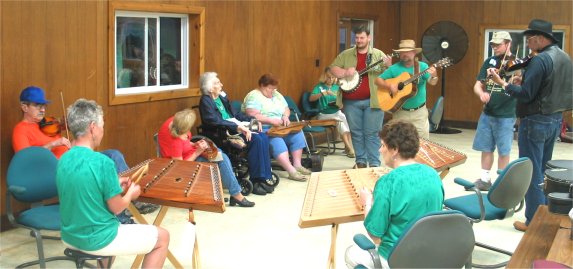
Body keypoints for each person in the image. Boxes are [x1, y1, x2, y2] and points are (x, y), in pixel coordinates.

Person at [12, 86, 158, 223]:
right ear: (24, 107)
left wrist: (73, 123)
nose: (43, 109)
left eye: (44, 106)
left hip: (78, 159)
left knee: (113, 155)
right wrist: (53, 144)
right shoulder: (20, 130)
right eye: (37, 106)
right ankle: (122, 217)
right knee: (102, 172)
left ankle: (133, 198)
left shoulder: (48, 125)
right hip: (63, 169)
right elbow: (26, 160)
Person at [56, 99, 169, 268]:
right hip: (98, 240)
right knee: (162, 237)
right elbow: (117, 208)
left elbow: (84, 184)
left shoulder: (63, 158)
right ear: (93, 128)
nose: (103, 130)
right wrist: (130, 194)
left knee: (113, 226)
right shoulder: (103, 162)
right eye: (102, 125)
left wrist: (113, 182)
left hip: (70, 236)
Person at [487, 19, 573, 232]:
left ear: (541, 38)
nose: (528, 42)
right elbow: (549, 88)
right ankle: (545, 213)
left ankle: (533, 221)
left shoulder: (540, 60)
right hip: (554, 119)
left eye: (530, 38)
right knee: (544, 169)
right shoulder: (564, 57)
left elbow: (526, 95)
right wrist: (523, 84)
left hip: (535, 120)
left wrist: (503, 83)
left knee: (532, 172)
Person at [344, 120, 444, 269]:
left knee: (351, 253)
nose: (379, 150)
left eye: (383, 145)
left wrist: (367, 202)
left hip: (396, 259)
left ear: (395, 149)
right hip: (430, 255)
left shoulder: (388, 182)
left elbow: (375, 235)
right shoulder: (433, 174)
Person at [158, 109, 255, 207]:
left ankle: (233, 193)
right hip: (185, 163)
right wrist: (197, 152)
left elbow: (185, 142)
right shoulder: (174, 140)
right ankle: (236, 195)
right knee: (221, 160)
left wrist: (194, 144)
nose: (189, 130)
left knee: (221, 155)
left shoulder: (177, 122)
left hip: (190, 153)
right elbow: (179, 166)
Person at [199, 72, 274, 195]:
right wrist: (237, 127)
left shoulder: (221, 98)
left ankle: (264, 178)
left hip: (236, 127)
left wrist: (253, 120)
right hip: (223, 132)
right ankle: (256, 181)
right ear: (210, 88)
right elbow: (213, 121)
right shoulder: (205, 101)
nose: (221, 84)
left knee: (263, 136)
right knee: (256, 140)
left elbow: (236, 114)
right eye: (218, 83)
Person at [330, 25, 392, 168]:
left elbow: (389, 75)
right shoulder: (346, 54)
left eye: (362, 37)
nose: (359, 40)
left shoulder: (378, 55)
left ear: (368, 38)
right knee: (356, 133)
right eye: (356, 38)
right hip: (351, 102)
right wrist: (345, 72)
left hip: (374, 101)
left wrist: (388, 65)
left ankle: (374, 163)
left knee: (372, 133)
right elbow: (333, 68)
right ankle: (361, 162)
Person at [470, 31, 518, 191]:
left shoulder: (517, 64)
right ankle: (485, 179)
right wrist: (481, 94)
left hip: (505, 114)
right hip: (487, 113)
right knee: (486, 147)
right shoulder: (489, 61)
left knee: (504, 150)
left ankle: (501, 182)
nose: (494, 47)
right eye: (493, 44)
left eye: (498, 45)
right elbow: (478, 84)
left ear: (508, 44)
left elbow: (520, 87)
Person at [242, 73, 311, 182]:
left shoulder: (277, 94)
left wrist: (285, 116)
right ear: (262, 86)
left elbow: (286, 108)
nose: (273, 91)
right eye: (270, 88)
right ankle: (291, 171)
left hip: (281, 125)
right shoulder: (253, 96)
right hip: (265, 128)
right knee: (277, 140)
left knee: (298, 134)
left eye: (274, 88)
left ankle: (297, 165)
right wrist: (270, 120)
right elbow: (252, 115)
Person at [375, 39, 438, 139]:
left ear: (414, 52)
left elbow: (432, 82)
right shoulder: (394, 68)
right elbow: (378, 80)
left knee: (422, 143)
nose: (404, 54)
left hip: (419, 113)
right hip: (400, 112)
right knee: (399, 143)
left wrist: (434, 75)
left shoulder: (422, 66)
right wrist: (389, 86)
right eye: (402, 52)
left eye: (407, 52)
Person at [309, 67, 355, 158]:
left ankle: (347, 147)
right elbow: (311, 99)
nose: (331, 79)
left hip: (336, 111)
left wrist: (340, 105)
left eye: (333, 77)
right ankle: (350, 148)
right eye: (329, 77)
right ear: (325, 76)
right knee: (339, 121)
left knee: (345, 120)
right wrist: (323, 93)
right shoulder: (319, 86)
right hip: (323, 114)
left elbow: (341, 103)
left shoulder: (337, 87)